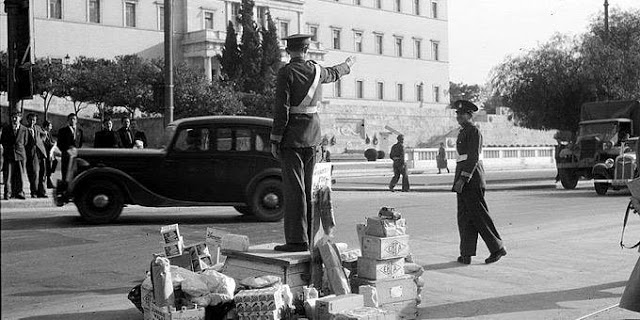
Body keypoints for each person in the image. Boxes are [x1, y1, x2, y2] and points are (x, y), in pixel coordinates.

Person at [270, 33, 356, 252]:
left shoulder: (286, 73)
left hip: (292, 140)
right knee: (312, 191)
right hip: (314, 138)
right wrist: (347, 65)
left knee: (294, 191)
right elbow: (335, 73)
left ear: (288, 51)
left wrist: (275, 139)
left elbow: (282, 110)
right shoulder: (317, 70)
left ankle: (296, 241)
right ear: (307, 50)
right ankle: (312, 239)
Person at [451, 100, 506, 265]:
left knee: (479, 217)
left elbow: (473, 157)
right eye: (458, 114)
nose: (459, 116)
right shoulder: (463, 132)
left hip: (472, 179)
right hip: (463, 178)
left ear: (469, 115)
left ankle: (497, 248)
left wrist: (463, 179)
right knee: (464, 217)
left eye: (462, 114)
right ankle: (466, 253)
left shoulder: (474, 131)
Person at [1, 111, 28, 200]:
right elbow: (3, 141)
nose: (14, 119)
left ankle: (19, 192)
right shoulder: (6, 128)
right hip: (9, 154)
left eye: (16, 117)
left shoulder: (24, 129)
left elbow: (25, 142)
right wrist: (8, 149)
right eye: (13, 117)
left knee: (20, 175)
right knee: (8, 175)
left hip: (20, 154)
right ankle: (7, 193)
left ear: (20, 118)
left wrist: (19, 148)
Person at [24, 113, 47, 198]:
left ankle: (42, 192)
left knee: (43, 174)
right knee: (34, 173)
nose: (32, 121)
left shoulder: (38, 128)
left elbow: (44, 134)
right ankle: (34, 192)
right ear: (27, 120)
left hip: (41, 153)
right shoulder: (24, 129)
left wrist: (41, 142)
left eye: (34, 120)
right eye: (30, 119)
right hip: (31, 154)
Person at [57, 113, 83, 182]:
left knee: (76, 174)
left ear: (76, 120)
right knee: (65, 174)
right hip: (66, 156)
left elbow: (80, 144)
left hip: (76, 156)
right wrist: (67, 149)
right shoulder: (62, 131)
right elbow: (59, 144)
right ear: (68, 120)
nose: (72, 120)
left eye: (74, 119)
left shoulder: (80, 131)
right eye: (70, 119)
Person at [42, 120, 57, 188]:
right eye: (50, 126)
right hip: (45, 153)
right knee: (46, 168)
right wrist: (51, 144)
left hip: (50, 153)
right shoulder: (42, 133)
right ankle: (47, 182)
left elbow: (51, 141)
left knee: (54, 163)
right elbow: (43, 143)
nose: (51, 128)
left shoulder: (49, 133)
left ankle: (49, 179)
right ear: (46, 126)